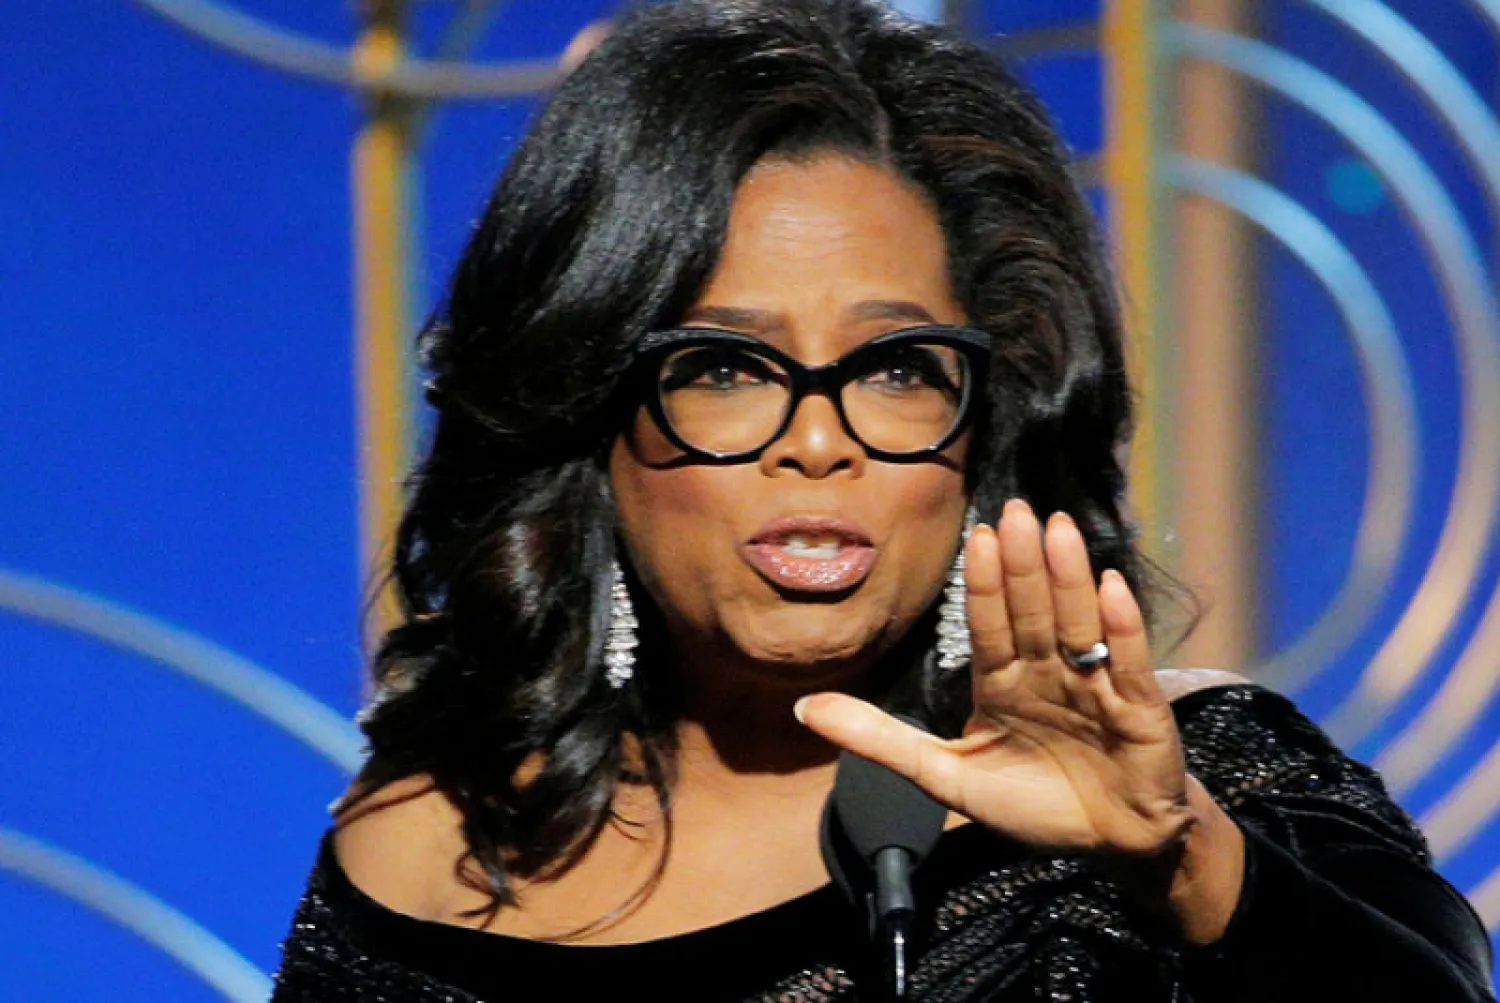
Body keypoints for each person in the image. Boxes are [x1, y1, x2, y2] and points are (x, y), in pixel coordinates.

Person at [271, 1, 1496, 999]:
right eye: (725, 368)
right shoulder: (428, 846)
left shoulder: (1195, 777)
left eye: (899, 369)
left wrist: (1182, 856)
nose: (818, 442)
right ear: (589, 422)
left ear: (986, 431)